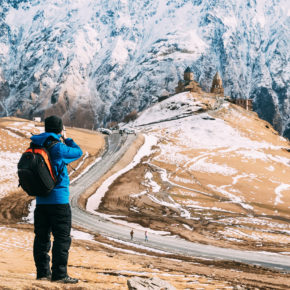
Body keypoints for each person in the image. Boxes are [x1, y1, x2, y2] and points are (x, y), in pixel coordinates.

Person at [32, 115, 82, 284]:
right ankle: (60, 275)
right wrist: (67, 138)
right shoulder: (59, 148)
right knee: (61, 238)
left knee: (41, 238)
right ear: (60, 129)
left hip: (41, 201)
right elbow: (78, 152)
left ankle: (42, 273)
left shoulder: (36, 144)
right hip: (59, 201)